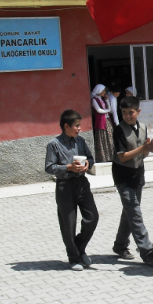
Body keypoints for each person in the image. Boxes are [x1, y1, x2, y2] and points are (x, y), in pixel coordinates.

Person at [111, 96, 153, 266]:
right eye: (124, 113)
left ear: (138, 112)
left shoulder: (142, 127)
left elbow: (144, 154)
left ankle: (120, 245)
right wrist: (143, 148)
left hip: (138, 175)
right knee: (135, 214)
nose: (127, 116)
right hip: (123, 177)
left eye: (130, 112)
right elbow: (123, 157)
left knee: (129, 213)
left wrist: (148, 148)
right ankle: (147, 251)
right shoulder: (119, 130)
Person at [45, 109, 98, 271]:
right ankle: (74, 258)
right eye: (76, 126)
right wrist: (69, 167)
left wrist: (88, 163)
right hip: (65, 186)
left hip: (82, 183)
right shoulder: (54, 144)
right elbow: (49, 167)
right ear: (66, 126)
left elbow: (90, 157)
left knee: (92, 217)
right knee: (68, 224)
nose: (79, 129)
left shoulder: (80, 141)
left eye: (79, 125)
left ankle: (79, 248)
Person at [90, 84, 113, 162]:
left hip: (107, 121)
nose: (105, 92)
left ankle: (111, 156)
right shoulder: (94, 100)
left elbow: (109, 109)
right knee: (103, 138)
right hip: (101, 122)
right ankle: (104, 157)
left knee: (109, 138)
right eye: (103, 91)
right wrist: (107, 111)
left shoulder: (102, 99)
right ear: (99, 91)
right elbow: (99, 110)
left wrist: (107, 100)